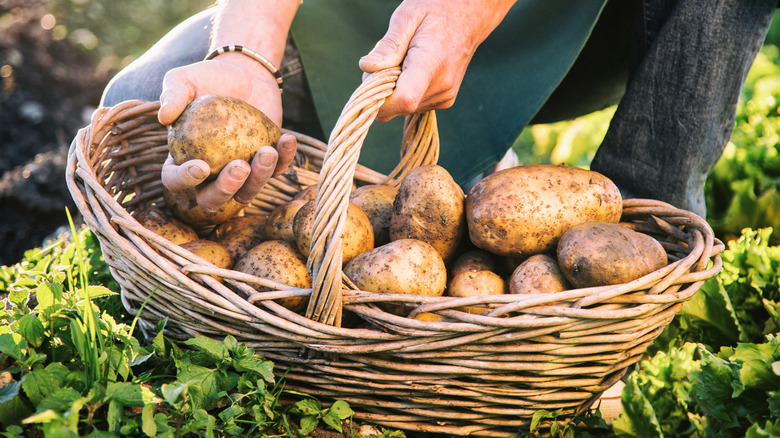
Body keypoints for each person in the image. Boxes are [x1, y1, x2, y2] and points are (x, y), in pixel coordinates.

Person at [100, 0, 777, 219]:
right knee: (139, 105)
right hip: (375, 14)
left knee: (608, 257)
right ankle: (458, 172)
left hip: (587, 19)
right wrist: (245, 51)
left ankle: (648, 217)